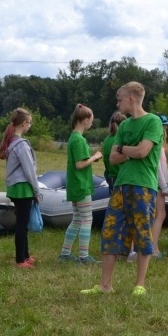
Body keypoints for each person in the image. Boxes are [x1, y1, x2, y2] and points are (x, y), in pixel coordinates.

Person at [82, 81, 163, 296]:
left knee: (142, 233)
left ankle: (140, 285)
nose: (117, 103)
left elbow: (143, 152)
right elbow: (114, 158)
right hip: (120, 186)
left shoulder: (153, 122)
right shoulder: (125, 125)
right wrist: (128, 150)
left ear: (131, 99)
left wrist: (123, 148)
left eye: (119, 99)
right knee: (109, 232)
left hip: (143, 186)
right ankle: (105, 285)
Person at [59, 104, 103, 264]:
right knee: (86, 220)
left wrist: (90, 158)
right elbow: (80, 164)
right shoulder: (79, 140)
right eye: (90, 120)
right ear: (84, 120)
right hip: (81, 185)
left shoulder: (73, 138)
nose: (92, 123)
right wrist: (95, 156)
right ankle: (84, 256)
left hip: (74, 185)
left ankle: (65, 253)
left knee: (77, 219)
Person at [0, 108, 40, 268]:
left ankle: (26, 255)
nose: (30, 125)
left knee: (23, 222)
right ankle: (20, 260)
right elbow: (29, 170)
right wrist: (37, 191)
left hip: (16, 188)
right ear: (24, 123)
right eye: (30, 122)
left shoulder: (12, 142)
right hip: (23, 188)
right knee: (22, 224)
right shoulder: (21, 145)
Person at [149, 114, 168, 260]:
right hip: (157, 184)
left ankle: (153, 246)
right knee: (160, 214)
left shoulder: (159, 143)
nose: (166, 128)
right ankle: (153, 248)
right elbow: (157, 167)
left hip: (160, 183)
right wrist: (164, 186)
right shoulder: (157, 143)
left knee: (158, 214)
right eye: (164, 125)